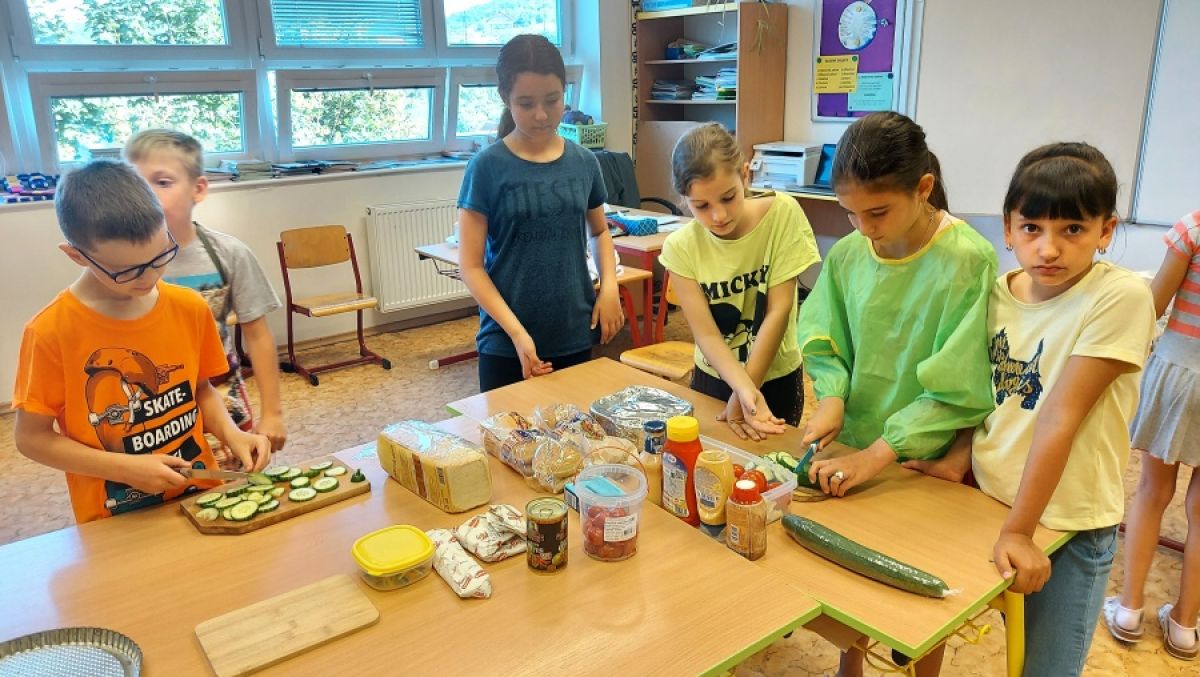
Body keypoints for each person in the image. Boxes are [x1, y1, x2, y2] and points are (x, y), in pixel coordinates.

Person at [906, 142, 1156, 676]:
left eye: (1073, 229)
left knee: (1046, 669)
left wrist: (1020, 531)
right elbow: (981, 393)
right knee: (925, 625)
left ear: (1106, 231)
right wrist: (958, 459)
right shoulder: (1000, 292)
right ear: (1008, 228)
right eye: (1031, 228)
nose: (1048, 248)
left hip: (1066, 521)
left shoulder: (1120, 297)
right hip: (989, 502)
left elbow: (1060, 416)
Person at [796, 112, 997, 677]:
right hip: (858, 437)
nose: (863, 228)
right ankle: (851, 664)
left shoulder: (967, 259)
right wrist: (833, 396)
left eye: (878, 213)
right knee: (855, 566)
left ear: (923, 188)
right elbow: (826, 332)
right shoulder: (850, 253)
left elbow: (958, 386)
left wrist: (878, 455)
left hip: (923, 455)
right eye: (850, 213)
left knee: (915, 583)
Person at [12, 160, 272, 523]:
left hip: (199, 495)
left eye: (159, 256)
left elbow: (199, 390)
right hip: (114, 514)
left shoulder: (188, 307)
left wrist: (231, 433)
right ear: (76, 255)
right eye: (128, 270)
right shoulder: (50, 332)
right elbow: (32, 439)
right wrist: (123, 468)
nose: (148, 277)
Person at [456, 34, 623, 392]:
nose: (542, 115)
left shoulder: (584, 162)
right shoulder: (486, 167)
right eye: (526, 103)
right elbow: (470, 266)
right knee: (509, 429)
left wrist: (609, 287)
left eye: (552, 100)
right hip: (506, 343)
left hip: (573, 332)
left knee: (577, 426)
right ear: (505, 98)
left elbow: (599, 232)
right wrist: (517, 334)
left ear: (565, 92)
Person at [125, 129, 286, 463]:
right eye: (136, 185)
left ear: (198, 189)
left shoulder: (229, 254)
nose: (146, 195)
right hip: (152, 412)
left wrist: (273, 413)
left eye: (162, 182)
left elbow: (258, 335)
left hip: (225, 401)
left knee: (237, 479)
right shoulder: (118, 264)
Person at [658, 122, 820, 440]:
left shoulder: (782, 214)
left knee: (774, 461)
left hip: (776, 374)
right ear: (684, 199)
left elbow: (779, 311)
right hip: (715, 375)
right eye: (702, 206)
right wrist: (743, 389)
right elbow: (706, 333)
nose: (719, 215)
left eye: (729, 197)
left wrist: (748, 389)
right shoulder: (680, 247)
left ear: (745, 175)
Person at [1103, 208, 1200, 661]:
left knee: (1152, 490)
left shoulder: (1194, 227)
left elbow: (1154, 306)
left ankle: (1129, 610)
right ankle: (1184, 626)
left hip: (1178, 372)